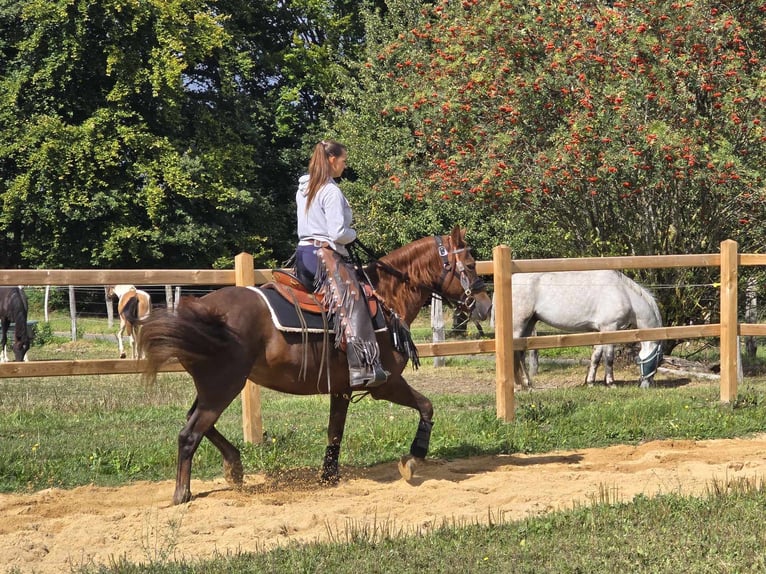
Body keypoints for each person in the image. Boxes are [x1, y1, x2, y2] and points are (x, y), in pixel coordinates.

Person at [295, 140, 388, 389]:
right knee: (354, 299)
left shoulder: (304, 188)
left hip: (303, 254)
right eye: (344, 161)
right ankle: (362, 366)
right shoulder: (331, 191)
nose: (345, 166)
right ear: (332, 160)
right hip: (323, 256)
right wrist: (353, 234)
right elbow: (337, 233)